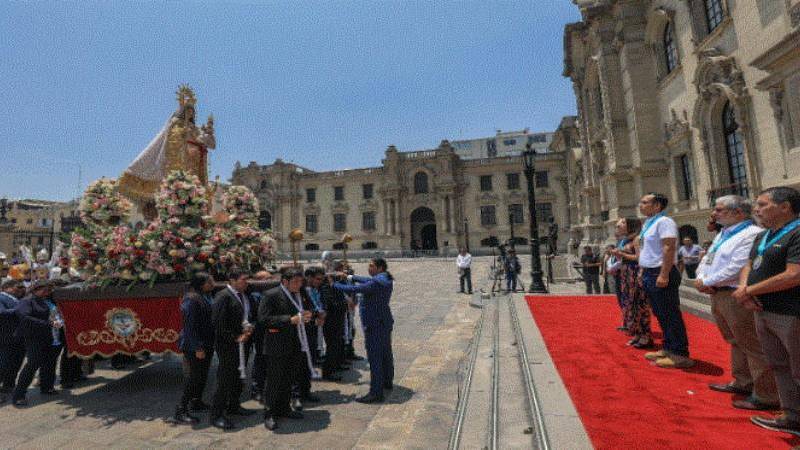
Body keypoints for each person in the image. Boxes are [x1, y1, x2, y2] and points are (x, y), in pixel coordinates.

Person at [695, 195, 778, 411]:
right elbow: (707, 258)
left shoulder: (751, 234)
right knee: (734, 340)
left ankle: (766, 394)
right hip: (717, 292)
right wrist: (701, 278)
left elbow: (738, 266)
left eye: (720, 209)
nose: (715, 213)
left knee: (752, 344)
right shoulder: (723, 233)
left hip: (735, 294)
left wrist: (707, 281)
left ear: (738, 213)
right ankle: (743, 381)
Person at [733, 187, 800, 436]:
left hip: (791, 313)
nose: (757, 210)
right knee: (779, 365)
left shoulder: (797, 232)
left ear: (785, 207)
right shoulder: (762, 236)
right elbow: (749, 265)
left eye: (763, 205)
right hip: (763, 310)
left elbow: (794, 274)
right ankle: (792, 416)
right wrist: (744, 289)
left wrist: (750, 290)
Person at [638, 193, 693, 369]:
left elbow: (668, 247)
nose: (641, 205)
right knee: (660, 313)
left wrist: (664, 273)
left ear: (657, 206)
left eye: (645, 202)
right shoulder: (649, 223)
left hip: (661, 272)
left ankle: (680, 353)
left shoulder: (665, 222)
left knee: (670, 313)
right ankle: (668, 347)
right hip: (649, 272)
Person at [333, 257, 394, 403]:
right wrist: (349, 276)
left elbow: (355, 288)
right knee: (386, 354)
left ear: (379, 268)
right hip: (384, 322)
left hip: (374, 325)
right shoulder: (384, 278)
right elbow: (365, 280)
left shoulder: (377, 282)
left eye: (371, 266)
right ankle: (387, 381)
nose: (369, 268)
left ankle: (376, 392)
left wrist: (335, 284)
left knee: (375, 359)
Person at [258, 268, 311, 431]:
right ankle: (269, 413)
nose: (298, 285)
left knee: (288, 378)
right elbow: (263, 319)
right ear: (284, 281)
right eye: (295, 282)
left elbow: (304, 311)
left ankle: (284, 408)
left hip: (296, 343)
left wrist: (308, 315)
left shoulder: (299, 294)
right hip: (277, 345)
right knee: (274, 381)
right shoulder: (271, 295)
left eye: (300, 282)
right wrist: (290, 319)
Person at [209, 271, 255, 430]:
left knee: (238, 376)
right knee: (225, 379)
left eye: (247, 280)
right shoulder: (223, 296)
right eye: (243, 280)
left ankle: (234, 405)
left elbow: (246, 314)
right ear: (232, 280)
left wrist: (249, 328)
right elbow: (218, 323)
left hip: (243, 341)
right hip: (229, 345)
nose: (246, 283)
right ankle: (216, 414)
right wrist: (235, 338)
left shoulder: (244, 294)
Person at [11, 280, 63, 406]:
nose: (47, 292)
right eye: (44, 290)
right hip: (32, 337)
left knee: (49, 362)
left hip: (47, 336)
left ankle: (47, 387)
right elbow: (25, 318)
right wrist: (48, 323)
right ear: (35, 289)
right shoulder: (26, 301)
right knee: (32, 364)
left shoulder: (44, 301)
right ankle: (19, 394)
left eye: (48, 290)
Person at [174, 272, 216, 424]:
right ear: (201, 283)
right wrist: (197, 347)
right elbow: (189, 326)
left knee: (202, 375)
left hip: (207, 342)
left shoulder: (206, 295)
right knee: (193, 377)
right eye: (209, 281)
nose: (212, 283)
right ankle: (181, 409)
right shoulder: (191, 299)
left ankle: (196, 401)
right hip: (194, 345)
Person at [611, 217, 652, 348]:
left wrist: (622, 254)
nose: (619, 225)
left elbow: (638, 257)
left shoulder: (636, 239)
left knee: (639, 304)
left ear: (630, 225)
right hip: (626, 273)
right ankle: (637, 334)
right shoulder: (626, 240)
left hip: (635, 273)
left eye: (623, 223)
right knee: (630, 304)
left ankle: (645, 336)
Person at [0, 279, 26, 403]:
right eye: (18, 286)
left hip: (19, 337)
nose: (21, 289)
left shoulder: (18, 299)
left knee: (16, 362)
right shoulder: (1, 298)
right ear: (7, 288)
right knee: (3, 364)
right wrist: (19, 309)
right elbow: (2, 313)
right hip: (6, 337)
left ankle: (8, 385)